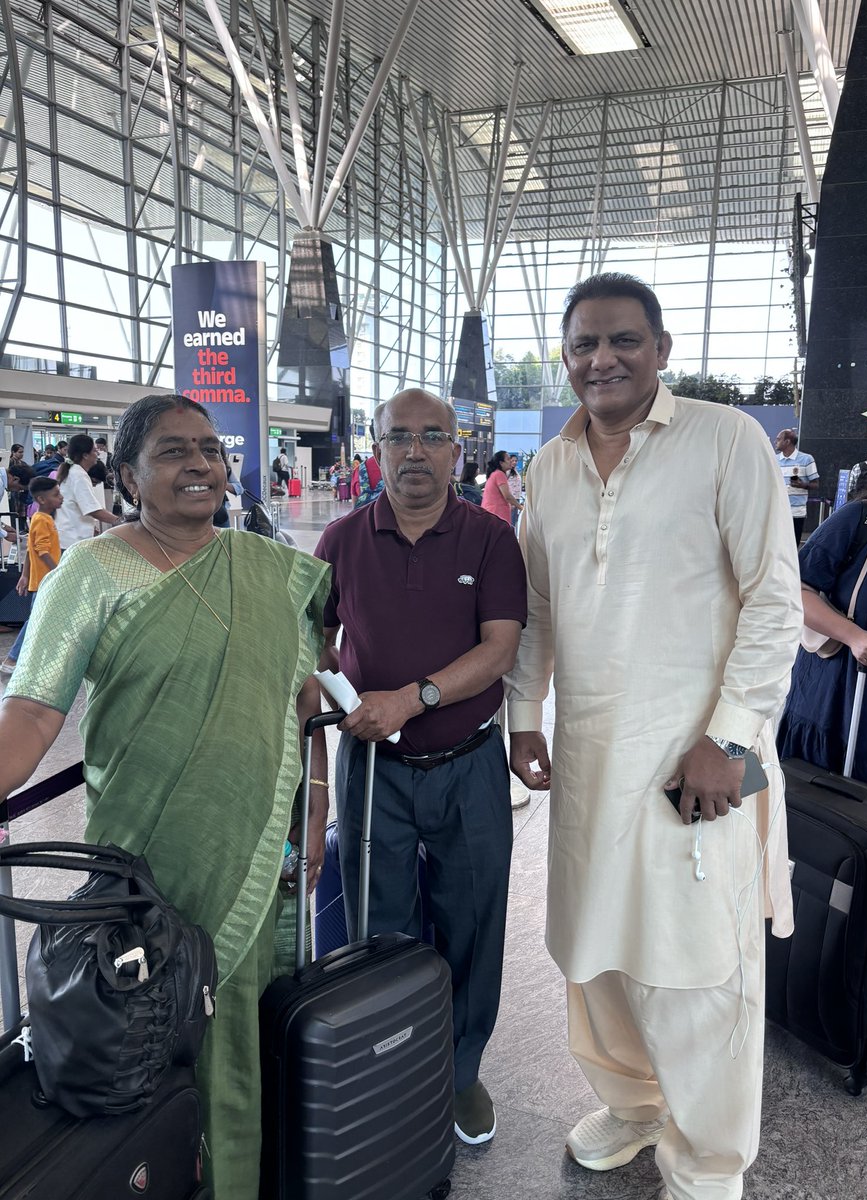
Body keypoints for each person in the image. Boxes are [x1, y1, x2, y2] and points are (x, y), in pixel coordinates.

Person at [505, 273, 802, 1200]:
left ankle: (710, 1163)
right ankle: (632, 1105)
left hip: (697, 761)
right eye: (585, 343)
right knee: (594, 949)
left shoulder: (725, 440)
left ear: (662, 350)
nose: (604, 359)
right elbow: (539, 607)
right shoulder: (548, 468)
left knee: (697, 966)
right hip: (592, 757)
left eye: (624, 340)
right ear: (565, 356)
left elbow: (774, 602)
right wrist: (524, 716)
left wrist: (730, 739)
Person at [0, 393, 330, 1200]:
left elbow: (302, 698)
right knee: (148, 1032)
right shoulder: (92, 571)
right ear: (128, 474)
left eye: (211, 451)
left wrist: (315, 803)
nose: (201, 466)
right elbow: (37, 707)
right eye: (176, 451)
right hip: (145, 861)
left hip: (254, 842)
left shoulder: (267, 569)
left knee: (240, 1035)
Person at [314, 388, 527, 1147]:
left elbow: (500, 648)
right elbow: (314, 635)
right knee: (381, 924)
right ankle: (391, 1062)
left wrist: (413, 696)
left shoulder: (489, 541)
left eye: (431, 436)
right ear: (375, 449)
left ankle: (460, 1072)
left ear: (455, 451)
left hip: (469, 764)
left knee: (473, 919)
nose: (414, 451)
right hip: (374, 767)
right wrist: (340, 690)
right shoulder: (341, 539)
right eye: (398, 436)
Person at [777, 454, 867, 781]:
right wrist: (855, 636)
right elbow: (794, 590)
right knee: (828, 812)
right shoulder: (866, 520)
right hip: (839, 697)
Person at [0, 476, 63, 675]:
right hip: (46, 581)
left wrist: (25, 575)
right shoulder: (42, 520)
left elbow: (30, 549)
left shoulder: (40, 518)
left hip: (43, 580)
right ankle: (12, 658)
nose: (61, 497)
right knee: (35, 621)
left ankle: (34, 659)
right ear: (42, 499)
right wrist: (59, 572)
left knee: (42, 620)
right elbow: (42, 551)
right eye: (56, 494)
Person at [55, 434, 120, 548]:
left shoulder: (72, 471)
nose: (98, 454)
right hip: (73, 540)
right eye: (95, 451)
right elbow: (93, 510)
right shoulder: (78, 475)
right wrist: (120, 521)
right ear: (85, 455)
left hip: (67, 536)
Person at [774, 428, 819, 545]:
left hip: (796, 512)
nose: (775, 442)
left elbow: (816, 484)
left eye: (778, 439)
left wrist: (803, 485)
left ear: (787, 442)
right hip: (777, 511)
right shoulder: (774, 459)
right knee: (776, 546)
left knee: (793, 546)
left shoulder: (806, 459)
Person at [481, 451, 522, 524]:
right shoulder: (499, 474)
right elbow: (507, 496)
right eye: (508, 459)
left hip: (493, 514)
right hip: (497, 514)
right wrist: (520, 507)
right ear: (501, 463)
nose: (511, 461)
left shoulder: (495, 474)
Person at [507, 454, 523, 530]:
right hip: (511, 499)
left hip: (516, 498)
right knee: (511, 522)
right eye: (512, 460)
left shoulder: (515, 471)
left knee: (514, 521)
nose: (514, 462)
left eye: (515, 461)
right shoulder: (507, 472)